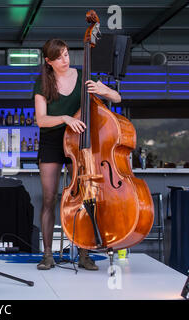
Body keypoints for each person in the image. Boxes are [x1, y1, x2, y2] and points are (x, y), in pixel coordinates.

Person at [33, 39, 121, 270]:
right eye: (59, 57)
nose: (66, 60)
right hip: (52, 141)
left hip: (79, 142)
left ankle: (84, 253)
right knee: (49, 198)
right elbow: (41, 120)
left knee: (83, 198)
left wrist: (105, 91)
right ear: (48, 61)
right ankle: (48, 254)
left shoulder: (84, 76)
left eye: (66, 55)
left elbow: (118, 98)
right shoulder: (42, 82)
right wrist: (65, 118)